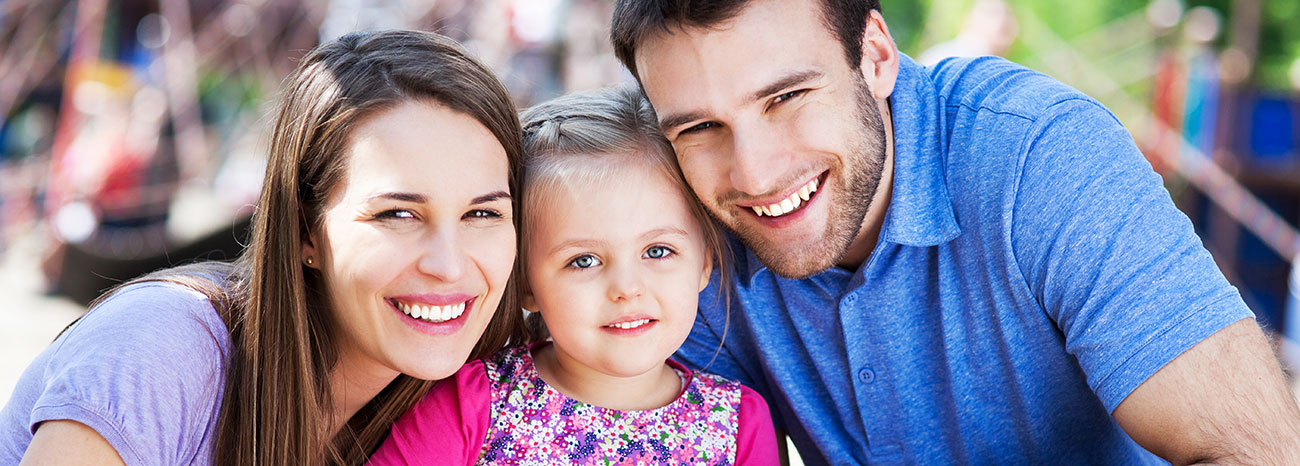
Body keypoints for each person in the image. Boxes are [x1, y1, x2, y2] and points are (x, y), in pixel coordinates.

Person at [610, 0, 1300, 464]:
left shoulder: (1036, 157)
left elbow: (1257, 450)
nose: (754, 173)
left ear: (876, 56)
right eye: (699, 129)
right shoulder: (680, 234)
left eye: (786, 97)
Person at [0, 29, 527, 465]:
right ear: (304, 232)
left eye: (482, 213)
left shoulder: (478, 401)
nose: (449, 264)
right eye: (397, 214)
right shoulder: (165, 347)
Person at [368, 85, 779, 465]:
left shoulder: (738, 423)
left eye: (657, 251)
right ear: (525, 284)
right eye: (583, 260)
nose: (627, 288)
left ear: (704, 262)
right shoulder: (475, 403)